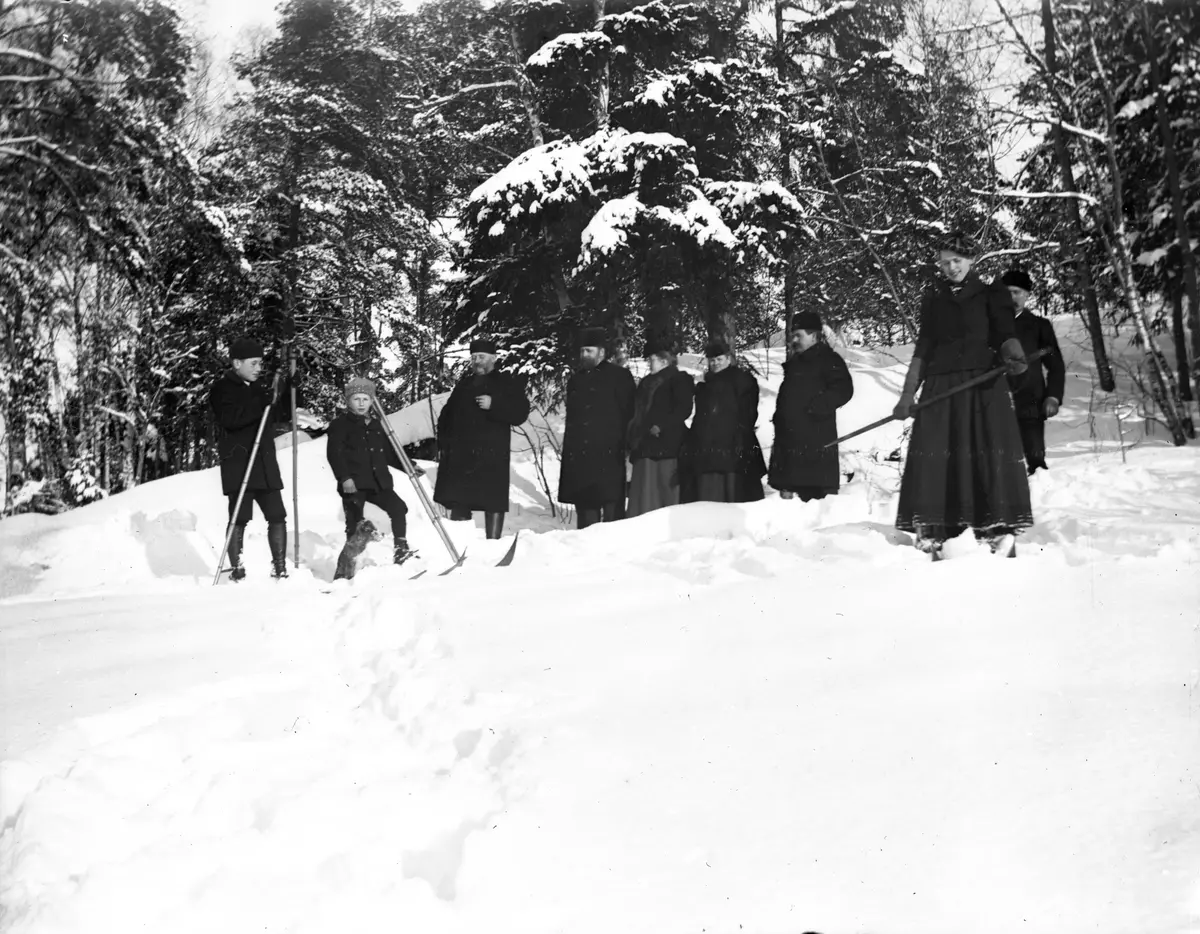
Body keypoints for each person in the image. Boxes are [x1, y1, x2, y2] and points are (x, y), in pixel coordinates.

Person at [892, 234, 1032, 559]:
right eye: (945, 262)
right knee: (936, 458)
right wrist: (907, 394)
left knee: (986, 454)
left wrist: (1013, 355)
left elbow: (1004, 334)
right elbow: (923, 349)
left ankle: (996, 533)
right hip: (941, 388)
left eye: (957, 260)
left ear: (971, 259)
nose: (951, 267)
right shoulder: (933, 299)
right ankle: (935, 534)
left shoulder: (991, 294)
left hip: (982, 385)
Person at [209, 336, 294, 580]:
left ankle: (279, 566)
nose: (259, 368)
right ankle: (238, 567)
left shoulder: (260, 388)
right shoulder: (221, 388)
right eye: (254, 363)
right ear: (237, 363)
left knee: (277, 515)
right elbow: (231, 419)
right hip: (240, 463)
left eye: (260, 363)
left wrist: (287, 388)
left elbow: (281, 414)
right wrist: (261, 402)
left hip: (265, 462)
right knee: (239, 516)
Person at [433, 337, 531, 539]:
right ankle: (462, 545)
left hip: (491, 455)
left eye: (482, 357)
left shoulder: (507, 382)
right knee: (460, 500)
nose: (477, 361)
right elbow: (446, 415)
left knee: (492, 501)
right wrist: (444, 444)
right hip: (462, 456)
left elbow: (520, 413)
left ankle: (493, 543)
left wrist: (494, 405)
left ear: (493, 358)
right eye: (474, 357)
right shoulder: (464, 385)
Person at [325, 377, 416, 566]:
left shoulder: (376, 425)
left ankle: (401, 550)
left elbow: (389, 453)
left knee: (398, 508)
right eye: (356, 399)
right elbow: (335, 454)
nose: (361, 403)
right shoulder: (340, 424)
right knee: (354, 522)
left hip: (378, 481)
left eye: (365, 399)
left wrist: (409, 465)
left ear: (371, 401)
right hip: (354, 483)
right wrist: (344, 478)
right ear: (348, 401)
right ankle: (349, 564)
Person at [768, 311, 854, 502]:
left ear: (814, 335)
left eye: (799, 335)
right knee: (787, 508)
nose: (794, 340)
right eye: (793, 336)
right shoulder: (795, 364)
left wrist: (819, 406)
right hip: (790, 444)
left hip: (815, 442)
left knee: (813, 505)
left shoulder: (829, 360)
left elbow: (844, 389)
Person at [558, 326, 637, 529]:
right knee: (585, 511)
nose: (584, 355)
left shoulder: (619, 376)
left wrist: (628, 447)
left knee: (612, 511)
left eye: (589, 351)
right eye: (582, 351)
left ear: (601, 352)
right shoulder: (576, 380)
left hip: (609, 453)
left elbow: (630, 413)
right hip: (581, 456)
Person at [684, 338, 766, 504]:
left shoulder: (742, 380)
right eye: (712, 360)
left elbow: (748, 413)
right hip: (708, 448)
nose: (715, 364)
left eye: (719, 359)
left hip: (735, 445)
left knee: (735, 494)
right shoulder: (705, 385)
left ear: (729, 359)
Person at [1000, 269, 1066, 475]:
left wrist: (1053, 397)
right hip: (995, 402)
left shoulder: (1039, 326)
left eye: (1017, 292)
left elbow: (1056, 366)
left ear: (1027, 294)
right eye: (1007, 292)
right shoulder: (988, 326)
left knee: (1036, 463)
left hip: (1030, 402)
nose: (1012, 297)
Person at [626, 339, 695, 517]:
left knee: (665, 490)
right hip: (644, 444)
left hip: (668, 444)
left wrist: (662, 425)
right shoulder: (645, 383)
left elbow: (683, 409)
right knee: (644, 490)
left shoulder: (679, 380)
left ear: (664, 361)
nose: (649, 363)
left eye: (652, 360)